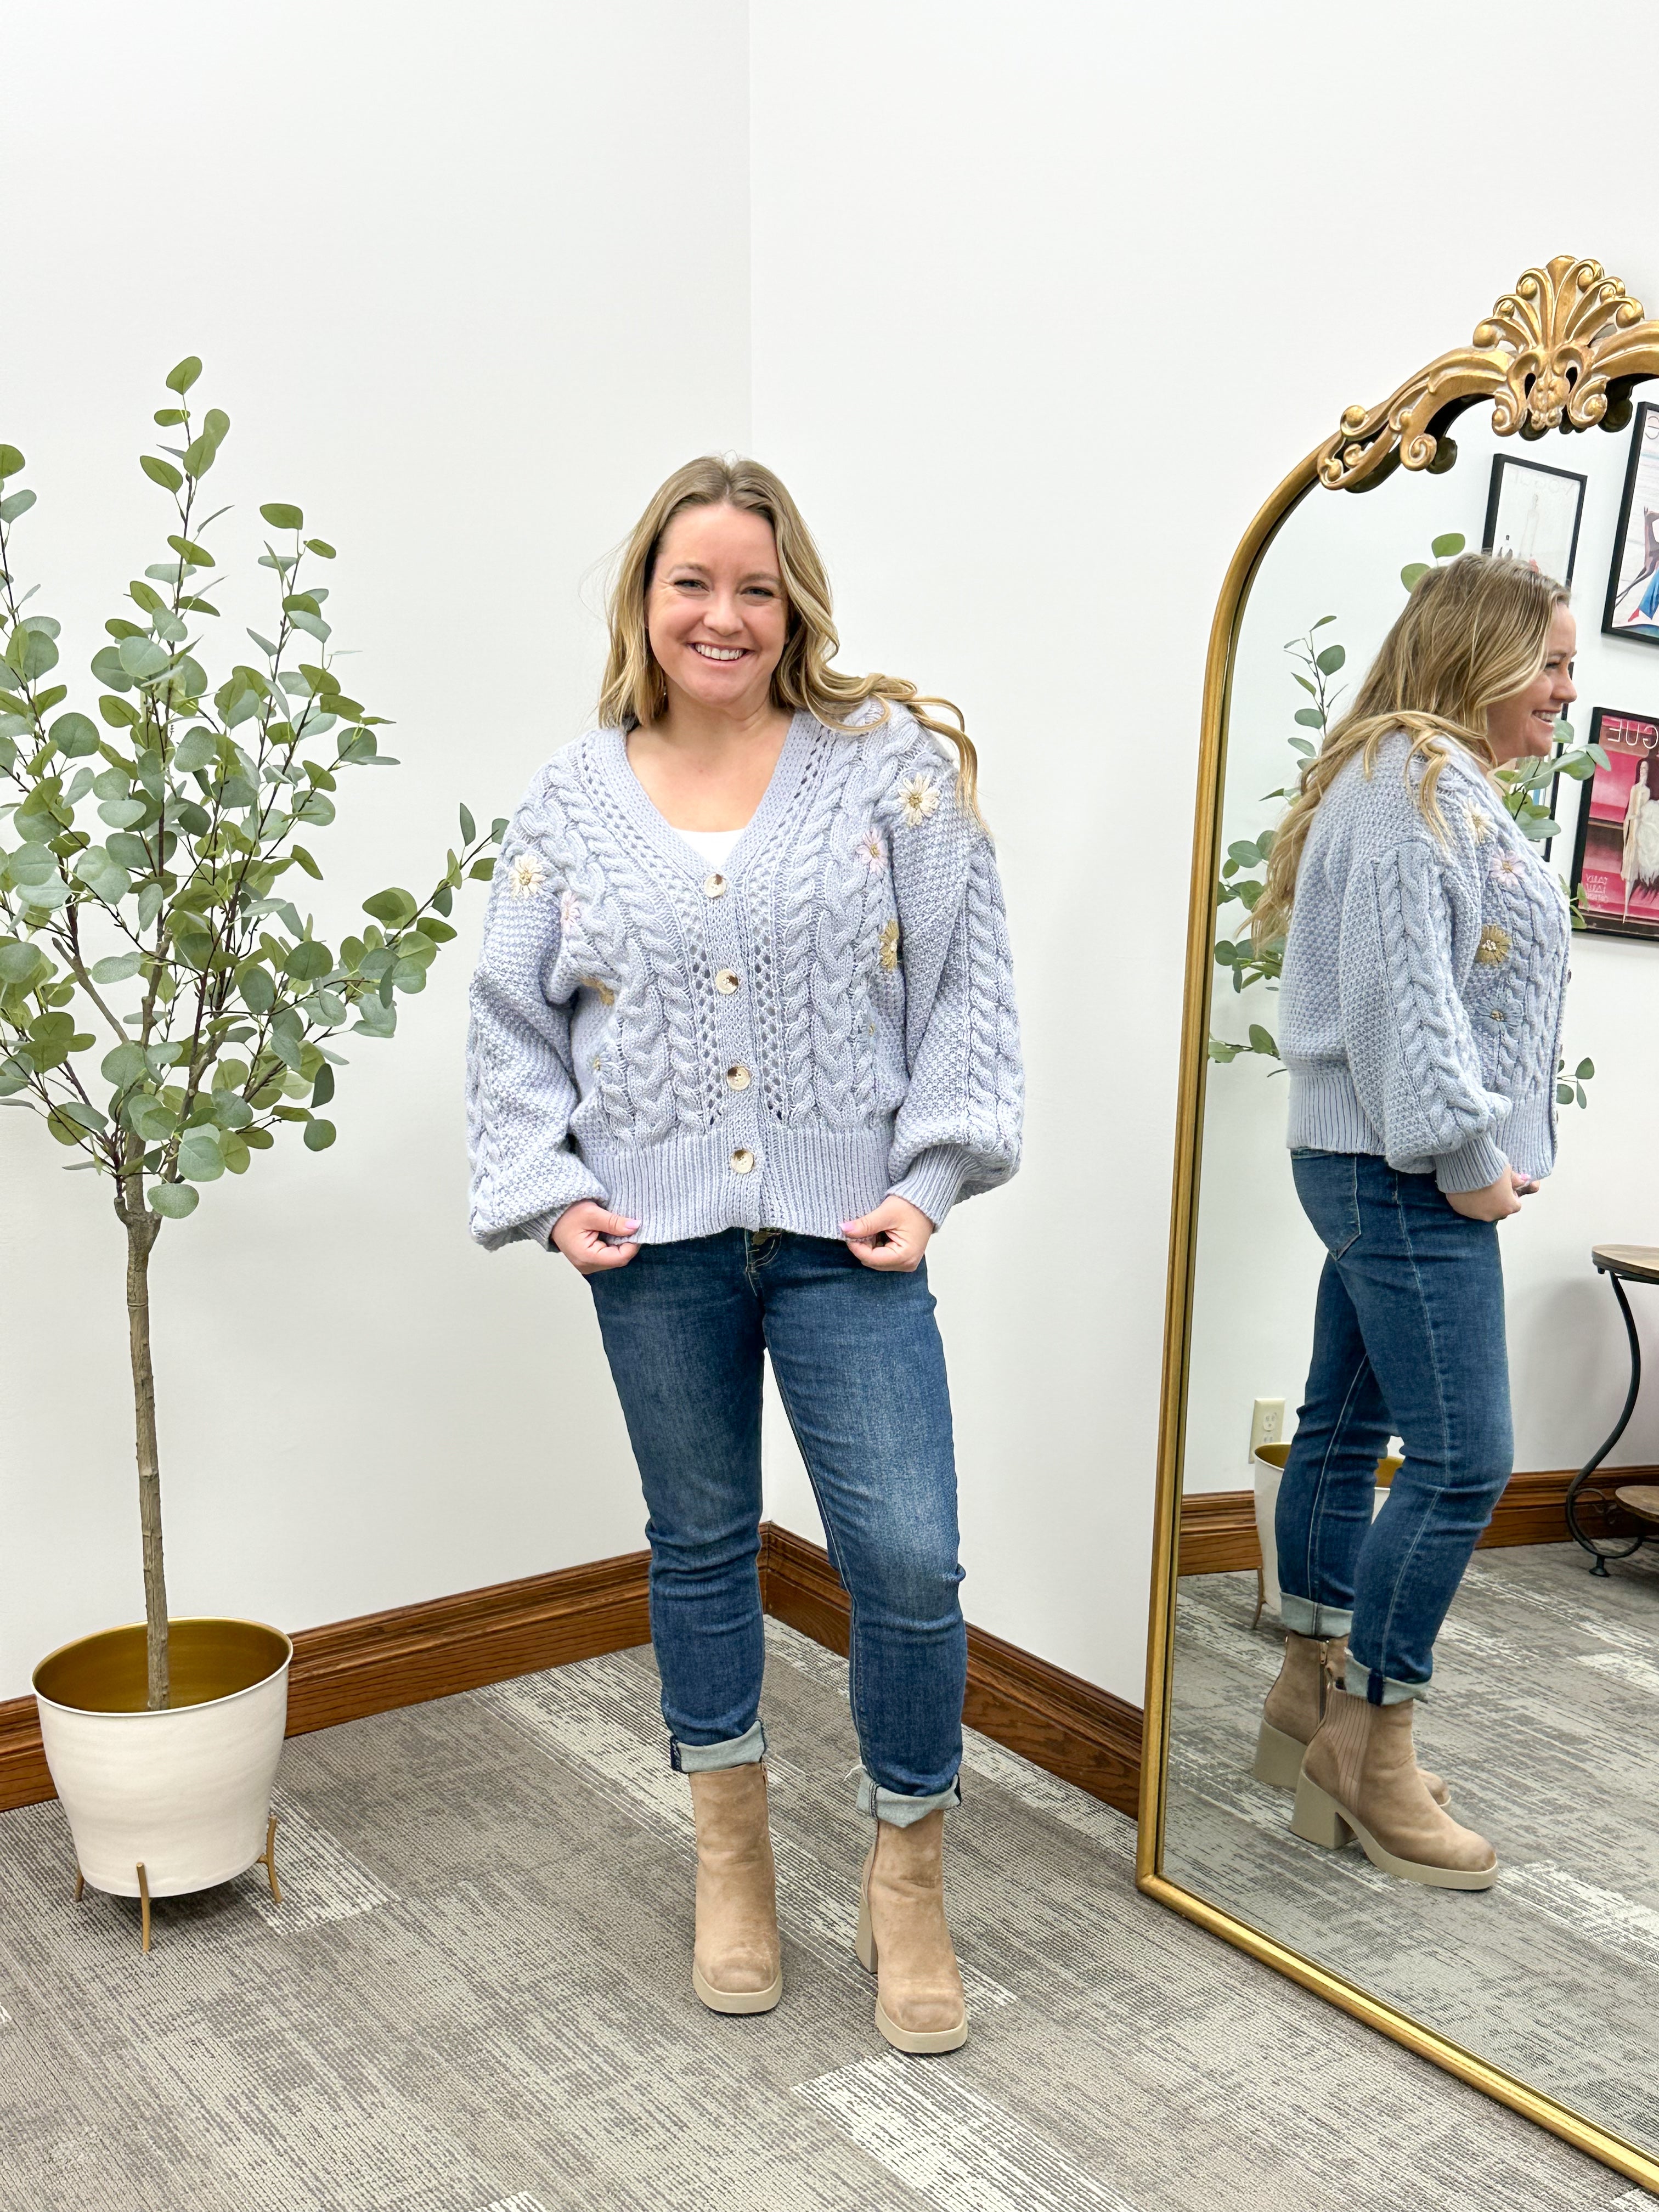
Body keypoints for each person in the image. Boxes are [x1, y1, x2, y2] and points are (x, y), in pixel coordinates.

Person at [465, 456, 1023, 2051]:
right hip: (657, 1248)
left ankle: (906, 1875)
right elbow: (512, 1016)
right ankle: (734, 1856)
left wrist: (934, 1175)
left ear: (796, 607)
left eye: (756, 587)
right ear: (647, 599)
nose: (723, 614)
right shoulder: (571, 800)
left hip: (855, 1238)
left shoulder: (885, 772)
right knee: (701, 1542)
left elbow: (969, 984)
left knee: (907, 1563)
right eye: (691, 582)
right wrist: (542, 1183)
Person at [1246, 554, 1575, 1891]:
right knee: (1465, 1464)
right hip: (1402, 1164)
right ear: (1480, 655)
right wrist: (1469, 1154)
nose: (1566, 684)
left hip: (1373, 1158)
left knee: (1345, 1423)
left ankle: (1307, 1695)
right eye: (1548, 659)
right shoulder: (1414, 784)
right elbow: (1409, 1003)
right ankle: (1372, 1746)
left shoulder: (1420, 780)